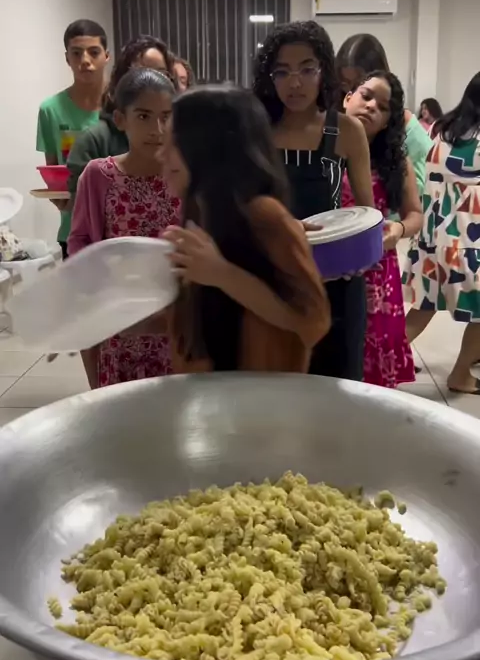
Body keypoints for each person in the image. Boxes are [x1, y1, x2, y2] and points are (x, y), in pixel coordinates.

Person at [162, 86, 331, 373]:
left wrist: (222, 274)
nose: (160, 154)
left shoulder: (265, 215)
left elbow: (313, 323)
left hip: (262, 395)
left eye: (173, 144)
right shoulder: (199, 210)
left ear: (209, 147)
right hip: (211, 391)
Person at [253, 20, 373, 382]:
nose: (295, 83)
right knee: (275, 390)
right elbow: (242, 206)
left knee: (336, 388)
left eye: (307, 69)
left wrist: (360, 252)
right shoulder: (256, 131)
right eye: (283, 72)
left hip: (335, 280)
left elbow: (366, 213)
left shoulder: (345, 130)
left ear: (324, 71)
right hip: (271, 281)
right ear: (269, 78)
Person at [69, 68, 180, 389]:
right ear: (120, 119)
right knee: (119, 409)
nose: (157, 129)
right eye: (143, 116)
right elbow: (80, 242)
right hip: (119, 327)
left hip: (174, 326)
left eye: (166, 117)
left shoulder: (185, 176)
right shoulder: (98, 176)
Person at [343, 72, 423, 388]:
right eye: (366, 95)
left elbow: (415, 215)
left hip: (376, 274)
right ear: (347, 98)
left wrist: (398, 230)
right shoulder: (321, 150)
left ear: (389, 120)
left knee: (372, 376)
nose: (371, 106)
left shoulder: (395, 163)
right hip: (326, 268)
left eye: (384, 106)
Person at [404, 72, 480, 395]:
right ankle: (461, 374)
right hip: (467, 240)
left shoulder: (441, 128)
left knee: (425, 305)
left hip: (432, 235)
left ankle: (375, 363)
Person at [67, 35, 176, 205]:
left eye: (160, 73)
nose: (150, 81)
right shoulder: (95, 141)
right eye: (141, 72)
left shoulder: (182, 143)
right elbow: (80, 206)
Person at [36, 19, 110, 259]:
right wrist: (58, 199)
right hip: (73, 231)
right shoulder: (50, 110)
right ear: (67, 58)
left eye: (94, 52)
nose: (85, 60)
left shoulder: (122, 108)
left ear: (106, 56)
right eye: (76, 53)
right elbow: (53, 173)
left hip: (120, 228)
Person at [336, 33, 432, 198]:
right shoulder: (336, 121)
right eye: (345, 84)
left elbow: (417, 200)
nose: (351, 91)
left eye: (358, 84)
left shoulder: (411, 137)